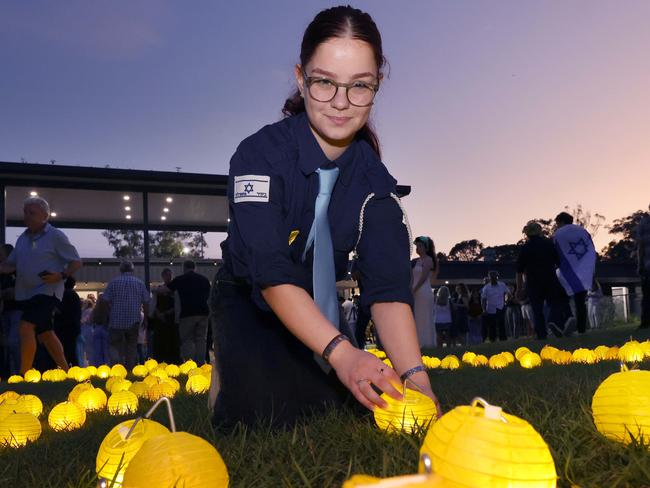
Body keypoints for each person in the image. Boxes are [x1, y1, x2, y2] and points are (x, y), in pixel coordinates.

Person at [210, 6, 439, 430]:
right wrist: (343, 353)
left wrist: (416, 378)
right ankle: (226, 366)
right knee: (263, 418)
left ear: (377, 86)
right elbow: (272, 272)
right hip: (251, 297)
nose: (340, 102)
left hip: (317, 305)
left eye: (359, 86)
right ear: (301, 78)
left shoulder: (376, 182)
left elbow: (388, 289)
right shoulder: (258, 156)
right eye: (324, 83)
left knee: (355, 407)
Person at [0, 196, 82, 374]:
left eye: (32, 213)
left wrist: (61, 275)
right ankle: (67, 371)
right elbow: (10, 264)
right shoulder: (23, 238)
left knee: (25, 326)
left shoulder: (55, 236)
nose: (27, 216)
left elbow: (76, 262)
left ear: (45, 216)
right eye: (25, 212)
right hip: (27, 294)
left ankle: (24, 375)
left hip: (47, 292)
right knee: (45, 334)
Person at [515, 221, 567, 339]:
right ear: (540, 232)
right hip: (550, 279)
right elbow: (559, 262)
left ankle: (541, 334)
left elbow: (519, 270)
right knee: (554, 303)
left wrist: (519, 289)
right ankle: (554, 321)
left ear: (527, 234)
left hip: (533, 282)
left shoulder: (525, 248)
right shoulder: (549, 244)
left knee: (536, 308)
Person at [156, 260, 210, 364]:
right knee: (201, 339)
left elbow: (164, 290)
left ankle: (190, 364)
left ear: (184, 268)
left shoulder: (180, 279)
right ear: (195, 268)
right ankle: (200, 362)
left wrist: (154, 289)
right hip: (203, 312)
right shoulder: (204, 279)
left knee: (187, 339)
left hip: (187, 314)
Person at [553, 211, 597, 334]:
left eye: (557, 223)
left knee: (562, 299)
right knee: (580, 303)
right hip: (582, 272)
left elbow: (555, 251)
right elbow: (591, 249)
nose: (557, 226)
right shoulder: (583, 231)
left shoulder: (558, 234)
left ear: (561, 221)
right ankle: (581, 328)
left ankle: (567, 321)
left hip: (567, 272)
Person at [102, 260, 150, 369]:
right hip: (133, 320)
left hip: (116, 320)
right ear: (132, 269)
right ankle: (129, 369)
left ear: (121, 269)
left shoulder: (113, 282)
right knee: (131, 346)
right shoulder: (139, 283)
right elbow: (146, 302)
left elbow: (104, 300)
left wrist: (109, 313)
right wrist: (146, 318)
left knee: (114, 345)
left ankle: (116, 365)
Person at [150, 268, 180, 363]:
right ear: (163, 276)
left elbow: (177, 304)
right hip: (159, 320)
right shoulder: (158, 289)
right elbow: (153, 303)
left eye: (170, 275)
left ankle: (172, 360)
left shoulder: (175, 290)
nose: (169, 277)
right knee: (159, 341)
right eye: (167, 275)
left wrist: (167, 313)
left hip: (171, 319)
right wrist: (158, 313)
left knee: (171, 341)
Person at [412, 236, 437, 348]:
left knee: (425, 316)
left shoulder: (428, 260)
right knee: (418, 317)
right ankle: (419, 342)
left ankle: (427, 342)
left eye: (420, 246)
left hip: (423, 291)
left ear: (426, 248)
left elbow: (423, 277)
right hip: (416, 291)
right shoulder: (417, 261)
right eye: (417, 246)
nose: (418, 248)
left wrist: (415, 289)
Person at [1, 244, 21, 375]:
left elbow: (21, 290)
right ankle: (11, 371)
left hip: (17, 310)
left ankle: (20, 370)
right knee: (8, 343)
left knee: (13, 342)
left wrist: (12, 292)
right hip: (5, 310)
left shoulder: (18, 270)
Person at [53, 276, 82, 367]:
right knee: (72, 349)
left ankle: (65, 366)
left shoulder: (63, 295)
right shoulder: (74, 295)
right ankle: (74, 366)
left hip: (63, 327)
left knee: (64, 348)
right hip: (73, 327)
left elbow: (61, 311)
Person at [481, 271, 509, 341]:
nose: (493, 278)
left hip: (501, 307)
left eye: (495, 277)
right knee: (492, 325)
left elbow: (507, 293)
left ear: (497, 277)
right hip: (491, 309)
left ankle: (503, 338)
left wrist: (506, 301)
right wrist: (484, 309)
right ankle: (492, 339)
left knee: (501, 324)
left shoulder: (502, 285)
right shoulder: (486, 288)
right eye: (492, 277)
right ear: (489, 278)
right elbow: (483, 299)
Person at [637, 204, 650, 329]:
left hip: (647, 265)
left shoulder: (643, 224)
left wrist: (640, 265)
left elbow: (640, 247)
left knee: (647, 296)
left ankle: (645, 322)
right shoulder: (643, 224)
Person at [91, 293, 110, 366]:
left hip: (97, 329)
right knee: (106, 350)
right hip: (106, 329)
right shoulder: (108, 308)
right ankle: (107, 366)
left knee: (97, 350)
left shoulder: (95, 309)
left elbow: (91, 320)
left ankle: (99, 367)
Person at [80, 298, 95, 366]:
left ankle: (85, 362)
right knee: (90, 348)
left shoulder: (83, 311)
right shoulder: (92, 310)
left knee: (84, 347)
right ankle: (90, 362)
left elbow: (83, 320)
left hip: (84, 329)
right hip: (89, 329)